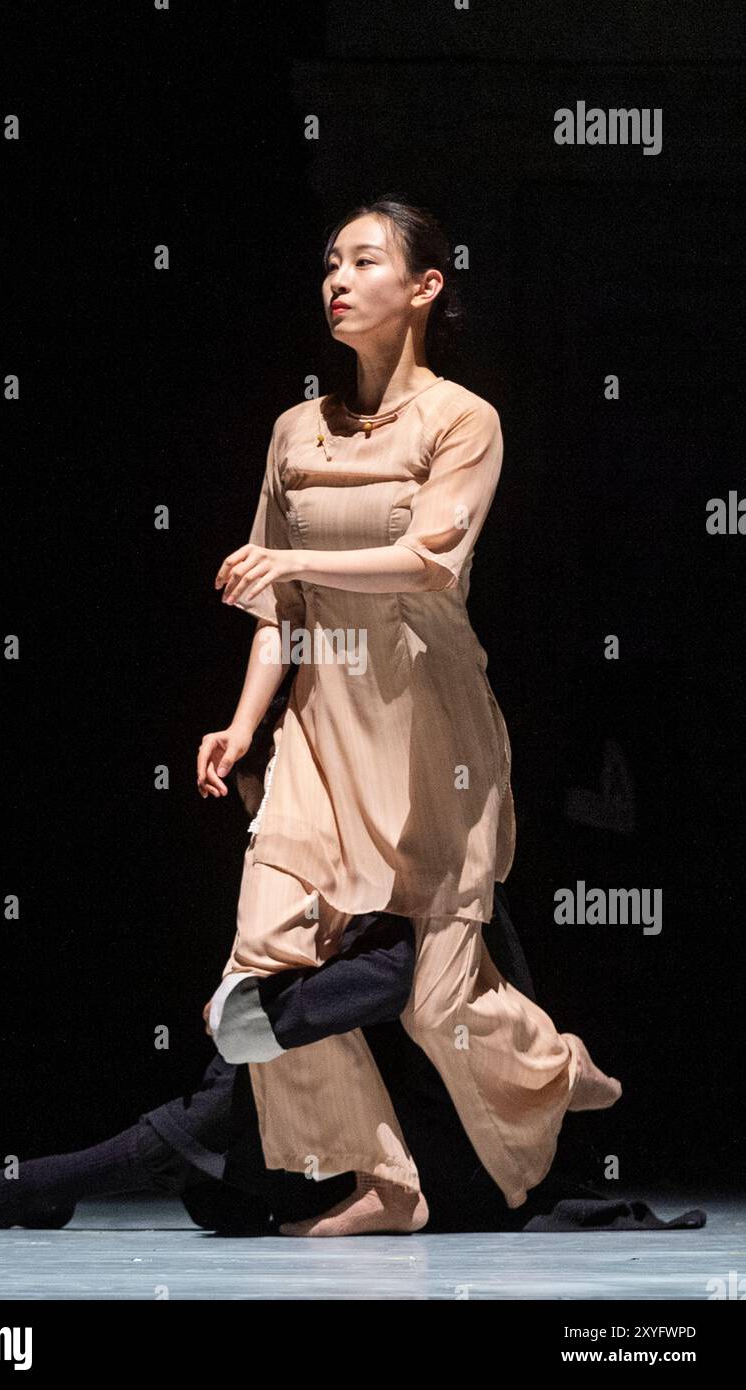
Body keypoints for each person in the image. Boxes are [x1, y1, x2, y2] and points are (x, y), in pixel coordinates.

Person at [198, 195, 622, 1237]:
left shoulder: (461, 419)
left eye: (365, 261)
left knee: (436, 1001)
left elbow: (432, 560)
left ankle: (547, 1065)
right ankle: (380, 1180)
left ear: (424, 288)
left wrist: (292, 557)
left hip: (427, 724)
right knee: (253, 984)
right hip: (318, 726)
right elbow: (276, 612)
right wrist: (244, 724)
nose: (337, 278)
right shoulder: (295, 429)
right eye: (329, 263)